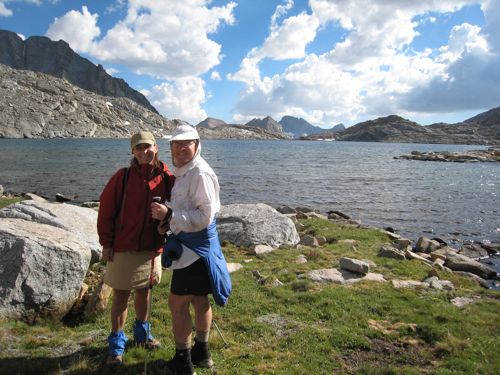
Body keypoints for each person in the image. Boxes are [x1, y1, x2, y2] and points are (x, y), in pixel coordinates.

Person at [151, 124, 231, 375]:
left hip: (194, 250)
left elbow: (204, 216)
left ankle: (183, 362)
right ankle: (202, 353)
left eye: (187, 143)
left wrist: (171, 213)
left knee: (177, 304)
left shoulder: (200, 173)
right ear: (171, 147)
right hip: (195, 246)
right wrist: (169, 222)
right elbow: (191, 210)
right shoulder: (187, 171)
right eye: (176, 144)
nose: (181, 148)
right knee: (199, 299)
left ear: (197, 145)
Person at [97, 130, 175, 365]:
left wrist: (167, 222)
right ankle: (117, 343)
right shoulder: (122, 177)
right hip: (123, 246)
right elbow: (106, 212)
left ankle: (142, 334)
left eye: (148, 146)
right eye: (139, 148)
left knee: (145, 291)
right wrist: (107, 244)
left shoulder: (167, 177)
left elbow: (177, 207)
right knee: (120, 295)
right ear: (132, 151)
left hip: (151, 247)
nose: (144, 151)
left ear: (156, 147)